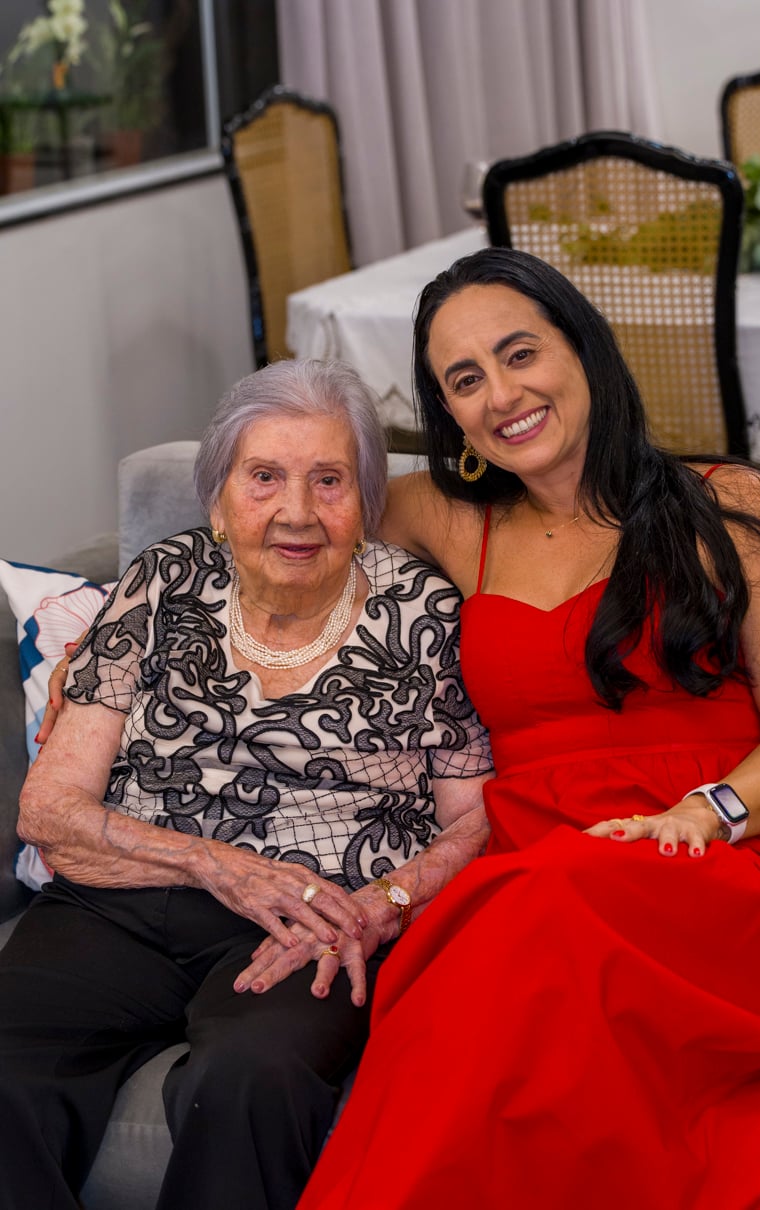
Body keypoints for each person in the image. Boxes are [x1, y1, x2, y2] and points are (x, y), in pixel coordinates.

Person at [296, 247, 760, 1210]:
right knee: (498, 949)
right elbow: (274, 522)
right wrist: (118, 631)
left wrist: (704, 813)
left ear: (583, 349)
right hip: (536, 876)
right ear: (448, 415)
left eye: (519, 353)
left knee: (528, 919)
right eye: (464, 380)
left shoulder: (727, 502)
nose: (501, 395)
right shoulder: (444, 518)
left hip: (720, 859)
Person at [0, 358, 494, 1210]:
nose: (296, 511)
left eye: (329, 480)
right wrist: (214, 864)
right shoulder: (164, 580)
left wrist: (383, 904)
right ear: (219, 499)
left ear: (366, 500)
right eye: (264, 477)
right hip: (122, 900)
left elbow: (473, 821)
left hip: (313, 917)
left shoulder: (424, 611)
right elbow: (48, 806)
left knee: (252, 1077)